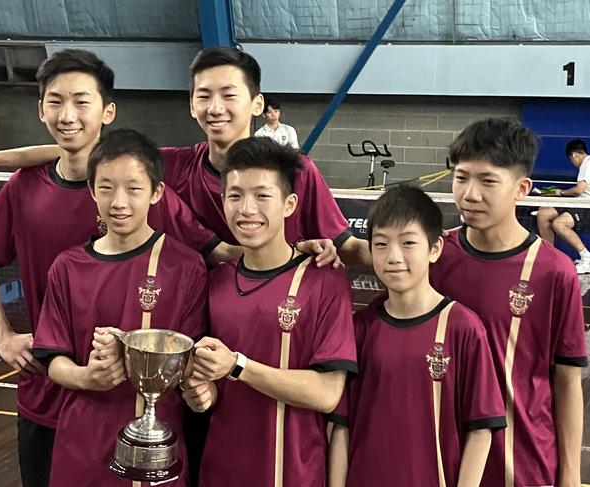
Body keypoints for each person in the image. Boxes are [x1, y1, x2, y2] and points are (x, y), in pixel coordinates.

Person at [0, 49, 214, 487]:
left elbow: (215, 255)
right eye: (55, 101)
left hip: (128, 405)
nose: (68, 115)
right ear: (40, 109)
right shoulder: (25, 188)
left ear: (107, 111)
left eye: (82, 101)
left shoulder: (138, 186)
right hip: (48, 392)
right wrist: (2, 336)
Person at [0, 47, 371, 268]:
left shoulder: (296, 172)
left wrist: (400, 260)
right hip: (187, 332)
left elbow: (345, 243)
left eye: (229, 95)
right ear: (191, 105)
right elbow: (89, 152)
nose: (216, 107)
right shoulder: (173, 165)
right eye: (204, 96)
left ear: (257, 103)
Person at [32, 128, 207, 487]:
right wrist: (87, 377)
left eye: (133, 188)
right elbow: (53, 358)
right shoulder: (67, 267)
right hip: (81, 441)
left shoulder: (186, 266)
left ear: (157, 193)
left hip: (158, 445)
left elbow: (190, 360)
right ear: (92, 190)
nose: (119, 202)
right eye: (107, 187)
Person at [181, 136, 357, 487]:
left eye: (262, 196)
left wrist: (238, 366)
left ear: (290, 204)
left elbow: (326, 393)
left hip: (292, 473)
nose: (246, 209)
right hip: (220, 470)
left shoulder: (323, 280)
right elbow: (208, 382)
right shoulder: (214, 281)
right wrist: (199, 391)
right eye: (235, 195)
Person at [430, 118, 587, 487]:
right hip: (441, 460)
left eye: (487, 181)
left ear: (522, 188)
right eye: (461, 177)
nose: (469, 193)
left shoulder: (554, 271)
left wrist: (569, 476)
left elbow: (566, 382)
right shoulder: (434, 255)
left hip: (523, 465)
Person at [328, 185, 505, 487]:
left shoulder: (462, 327)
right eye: (381, 245)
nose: (394, 257)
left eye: (408, 243)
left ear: (434, 248)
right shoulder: (359, 328)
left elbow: (480, 428)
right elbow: (341, 427)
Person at [536, 138, 590, 273]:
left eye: (571, 160)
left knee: (559, 224)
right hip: (577, 203)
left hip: (586, 206)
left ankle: (586, 258)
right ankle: (550, 258)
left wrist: (561, 193)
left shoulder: (587, 162)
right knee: (544, 213)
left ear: (574, 155)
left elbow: (579, 189)